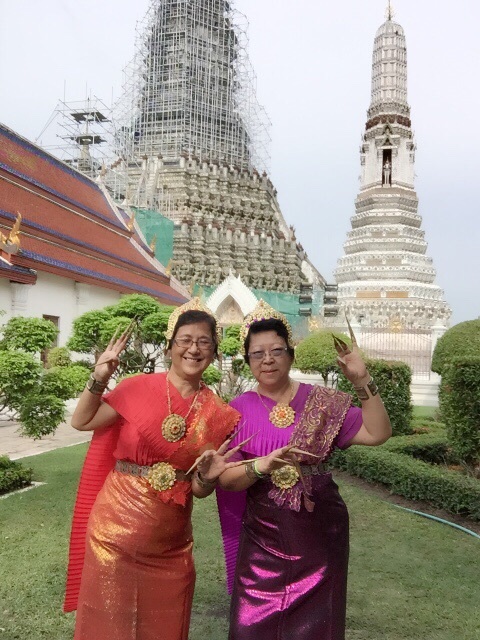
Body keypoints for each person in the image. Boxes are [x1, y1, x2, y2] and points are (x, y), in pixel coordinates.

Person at [64, 298, 240, 640]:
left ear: (216, 353)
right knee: (107, 624)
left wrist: (207, 476)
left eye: (204, 342)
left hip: (170, 544)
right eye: (185, 340)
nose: (193, 349)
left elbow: (199, 489)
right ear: (169, 346)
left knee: (165, 626)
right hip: (113, 533)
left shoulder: (220, 414)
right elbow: (82, 419)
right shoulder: (137, 388)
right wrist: (98, 378)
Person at [216, 300, 392, 640]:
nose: (267, 359)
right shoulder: (236, 411)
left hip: (319, 535)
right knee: (250, 627)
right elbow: (226, 478)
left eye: (276, 350)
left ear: (291, 354)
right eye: (257, 353)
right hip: (262, 540)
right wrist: (260, 465)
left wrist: (362, 380)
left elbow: (378, 433)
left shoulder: (323, 401)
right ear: (248, 360)